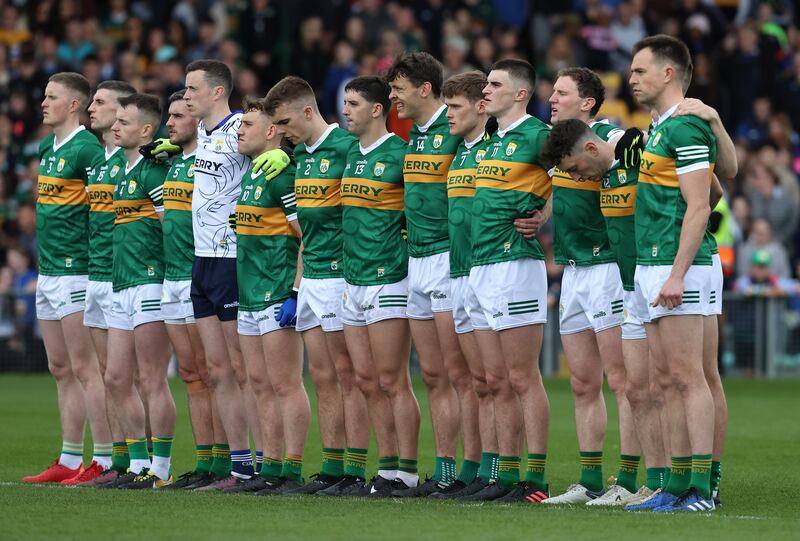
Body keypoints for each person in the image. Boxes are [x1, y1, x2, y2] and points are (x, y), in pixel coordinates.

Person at [263, 75, 370, 494]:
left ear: (309, 111)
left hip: (344, 275)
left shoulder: (347, 149)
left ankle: (354, 469)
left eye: (286, 122)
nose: (282, 132)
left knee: (349, 375)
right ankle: (331, 465)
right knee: (323, 378)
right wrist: (296, 287)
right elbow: (306, 231)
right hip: (312, 280)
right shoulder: (300, 158)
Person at [543, 67, 642, 506]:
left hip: (607, 270)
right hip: (573, 271)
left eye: (561, 93)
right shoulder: (559, 149)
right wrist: (537, 217)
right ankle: (590, 480)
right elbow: (554, 195)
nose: (552, 98)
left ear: (587, 103)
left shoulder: (605, 137)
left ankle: (629, 479)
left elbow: (634, 144)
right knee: (583, 383)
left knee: (621, 380)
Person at [628, 34, 718, 512]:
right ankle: (676, 485)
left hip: (679, 265)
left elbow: (701, 206)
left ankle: (701, 489)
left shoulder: (684, 129)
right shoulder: (659, 129)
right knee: (663, 380)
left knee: (688, 377)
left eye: (640, 71)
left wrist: (678, 273)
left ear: (668, 73)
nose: (631, 79)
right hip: (652, 264)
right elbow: (715, 188)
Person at [387, 52, 479, 495]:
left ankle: (474, 469)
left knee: (462, 375)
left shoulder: (457, 129)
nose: (392, 98)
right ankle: (444, 470)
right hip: (415, 263)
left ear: (425, 89)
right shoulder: (414, 137)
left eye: (399, 89)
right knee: (435, 376)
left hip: (448, 259)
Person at [460, 59, 551, 503]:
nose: (486, 90)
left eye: (495, 84)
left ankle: (534, 478)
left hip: (515, 265)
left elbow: (573, 174)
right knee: (494, 379)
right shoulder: (493, 142)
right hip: (480, 266)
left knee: (521, 376)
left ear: (520, 93)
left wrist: (543, 217)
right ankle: (502, 474)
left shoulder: (537, 135)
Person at [23, 72, 113, 485]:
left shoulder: (87, 149)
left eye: (51, 96)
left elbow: (102, 210)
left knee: (86, 368)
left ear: (73, 105)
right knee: (59, 367)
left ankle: (105, 459)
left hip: (77, 271)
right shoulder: (47, 146)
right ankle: (69, 457)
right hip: (49, 270)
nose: (43, 102)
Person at [328, 76, 410, 497]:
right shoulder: (349, 154)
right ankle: (387, 467)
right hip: (351, 279)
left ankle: (407, 473)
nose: (347, 109)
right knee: (365, 379)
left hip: (387, 278)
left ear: (377, 109)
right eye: (345, 102)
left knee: (392, 380)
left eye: (354, 103)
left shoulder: (400, 154)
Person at [140, 90, 221, 490]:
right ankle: (205, 461)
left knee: (212, 373)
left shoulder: (210, 162)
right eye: (168, 116)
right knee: (190, 374)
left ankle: (226, 461)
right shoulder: (171, 166)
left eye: (178, 115)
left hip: (198, 274)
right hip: (171, 278)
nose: (169, 123)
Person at [228, 97, 307, 495]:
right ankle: (270, 465)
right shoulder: (253, 173)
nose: (239, 131)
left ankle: (291, 469)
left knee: (285, 384)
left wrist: (294, 291)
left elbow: (305, 236)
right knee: (258, 383)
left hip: (276, 292)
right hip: (248, 294)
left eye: (248, 124)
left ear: (273, 130)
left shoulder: (281, 175)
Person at [182, 59, 254, 489]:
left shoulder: (241, 128)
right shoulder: (202, 135)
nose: (186, 95)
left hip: (231, 259)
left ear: (216, 92)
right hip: (201, 259)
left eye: (192, 89)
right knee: (216, 369)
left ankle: (261, 464)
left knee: (243, 369)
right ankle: (238, 463)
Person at [430, 70, 500, 499]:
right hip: (457, 274)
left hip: (489, 272)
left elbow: (552, 171)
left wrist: (541, 215)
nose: (448, 115)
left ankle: (497, 471)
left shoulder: (496, 150)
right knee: (472, 379)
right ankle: (473, 468)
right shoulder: (459, 153)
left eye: (455, 107)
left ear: (480, 106)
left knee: (495, 380)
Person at [101, 93, 176, 489]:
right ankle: (136, 463)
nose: (115, 127)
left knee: (152, 379)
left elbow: (170, 227)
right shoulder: (120, 172)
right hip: (121, 284)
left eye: (124, 122)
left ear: (146, 130)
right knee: (115, 378)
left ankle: (160, 469)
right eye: (115, 121)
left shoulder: (154, 172)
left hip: (150, 282)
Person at [70, 79, 136, 487]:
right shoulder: (99, 165)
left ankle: (143, 461)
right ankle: (114, 458)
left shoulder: (137, 163)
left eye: (100, 102)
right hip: (95, 275)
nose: (91, 108)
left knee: (129, 377)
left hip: (124, 277)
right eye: (91, 101)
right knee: (107, 373)